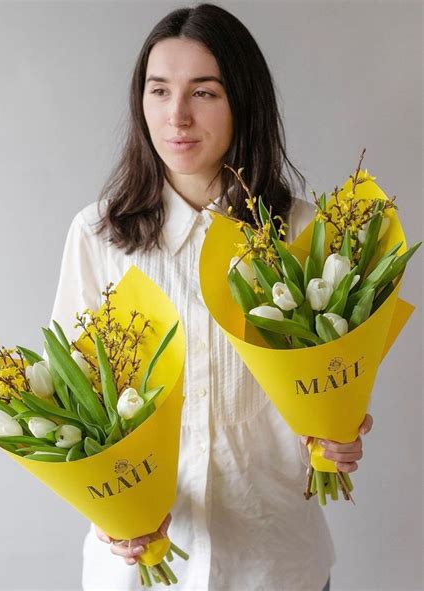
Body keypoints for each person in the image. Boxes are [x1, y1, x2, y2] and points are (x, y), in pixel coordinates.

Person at [49, 4, 373, 590]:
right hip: (137, 570)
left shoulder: (302, 230)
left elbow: (327, 378)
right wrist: (110, 516)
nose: (177, 116)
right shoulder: (98, 236)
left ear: (241, 101)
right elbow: (72, 412)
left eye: (204, 93)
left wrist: (336, 434)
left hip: (275, 563)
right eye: (159, 90)